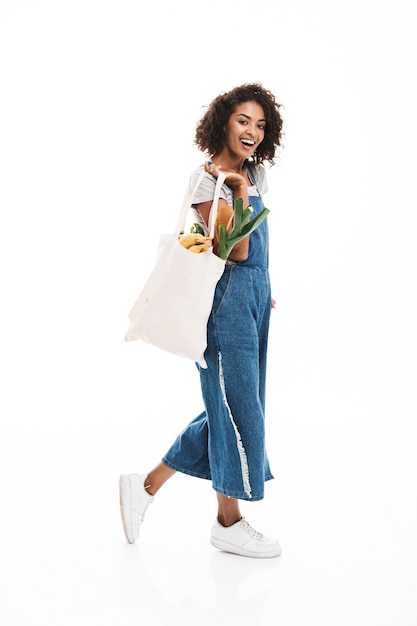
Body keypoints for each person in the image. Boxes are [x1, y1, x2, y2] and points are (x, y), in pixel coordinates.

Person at [120, 83, 284, 558]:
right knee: (238, 413)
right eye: (242, 121)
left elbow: (262, 249)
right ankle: (227, 522)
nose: (252, 131)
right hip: (224, 306)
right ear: (223, 122)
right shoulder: (205, 181)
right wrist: (234, 188)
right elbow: (236, 248)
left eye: (259, 124)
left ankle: (145, 485)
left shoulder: (255, 171)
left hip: (254, 299)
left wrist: (265, 287)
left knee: (232, 405)